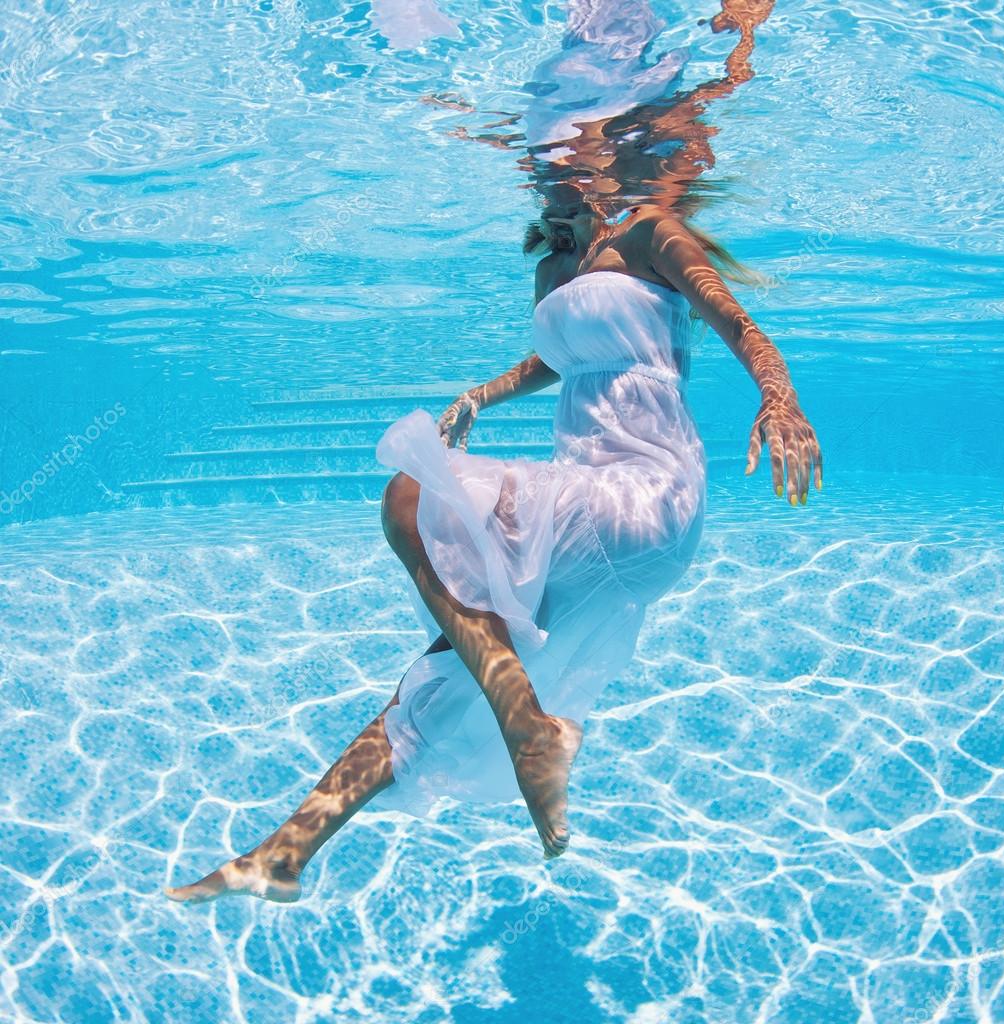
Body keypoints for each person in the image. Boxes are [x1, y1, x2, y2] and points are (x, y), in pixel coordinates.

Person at [164, 187, 821, 904]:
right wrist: (484, 393)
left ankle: (528, 730)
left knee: (410, 495)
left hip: (646, 493)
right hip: (594, 508)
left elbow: (737, 322)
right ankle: (282, 856)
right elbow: (562, 360)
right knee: (444, 681)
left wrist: (779, 398)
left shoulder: (649, 234)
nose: (552, 170)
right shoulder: (558, 267)